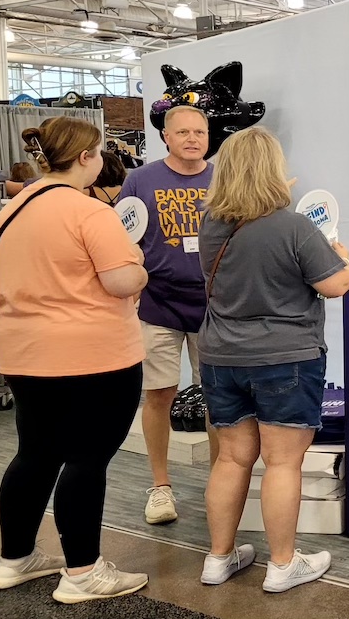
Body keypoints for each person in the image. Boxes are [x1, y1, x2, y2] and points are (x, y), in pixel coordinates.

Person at [0, 117, 150, 603]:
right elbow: (122, 280)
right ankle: (83, 572)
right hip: (92, 356)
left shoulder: (13, 208)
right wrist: (140, 267)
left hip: (24, 353)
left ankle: (14, 557)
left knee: (34, 453)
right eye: (99, 152)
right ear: (85, 157)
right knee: (86, 458)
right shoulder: (89, 214)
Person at [196, 126, 349, 592]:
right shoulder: (294, 226)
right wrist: (339, 259)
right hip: (286, 359)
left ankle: (218, 558)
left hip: (220, 357)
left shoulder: (212, 226)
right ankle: (283, 564)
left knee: (231, 458)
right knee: (283, 463)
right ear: (272, 170)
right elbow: (336, 284)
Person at [119, 104, 217, 525]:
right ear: (166, 136)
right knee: (159, 393)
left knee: (218, 397)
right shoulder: (140, 180)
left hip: (215, 304)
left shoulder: (224, 178)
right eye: (183, 132)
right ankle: (160, 487)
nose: (192, 138)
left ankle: (221, 480)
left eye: (199, 131)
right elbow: (120, 237)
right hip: (157, 301)